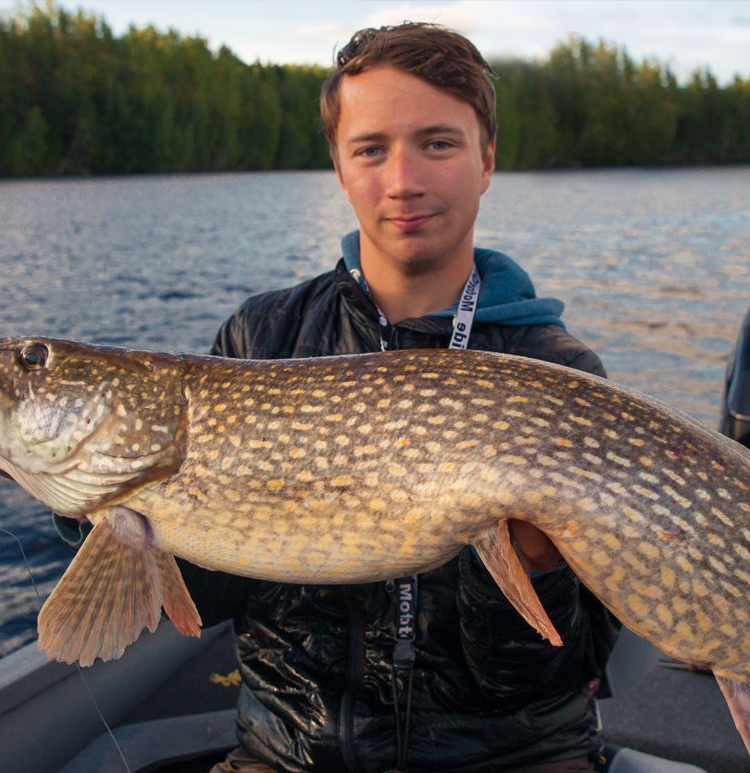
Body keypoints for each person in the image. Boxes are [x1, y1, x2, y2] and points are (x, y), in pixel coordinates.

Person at [174, 22, 621, 773]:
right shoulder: (263, 338)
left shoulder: (554, 370)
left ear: (487, 161)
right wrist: (84, 491)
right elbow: (199, 595)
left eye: (438, 144)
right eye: (371, 149)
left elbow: (555, 675)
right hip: (288, 757)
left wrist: (533, 566)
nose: (403, 180)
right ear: (340, 168)